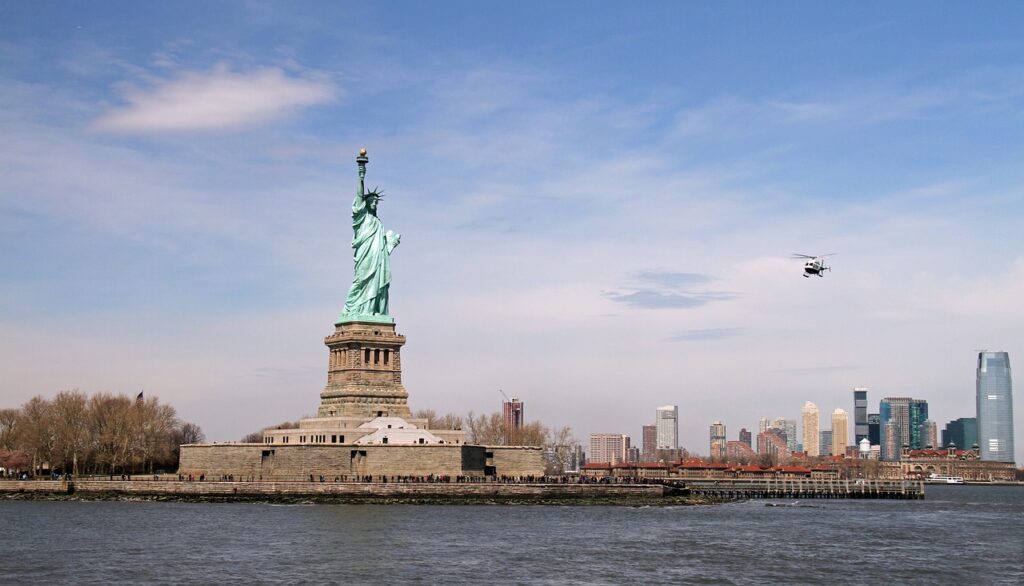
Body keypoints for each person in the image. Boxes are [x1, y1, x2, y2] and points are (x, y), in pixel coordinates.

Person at [340, 150, 400, 319]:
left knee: (379, 284)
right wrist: (361, 173)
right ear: (365, 203)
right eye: (371, 201)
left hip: (378, 259)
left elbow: (382, 248)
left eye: (376, 202)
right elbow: (359, 195)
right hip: (365, 257)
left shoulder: (378, 222)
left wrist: (391, 244)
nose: (374, 203)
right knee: (361, 281)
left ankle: (374, 310)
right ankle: (352, 308)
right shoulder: (361, 217)